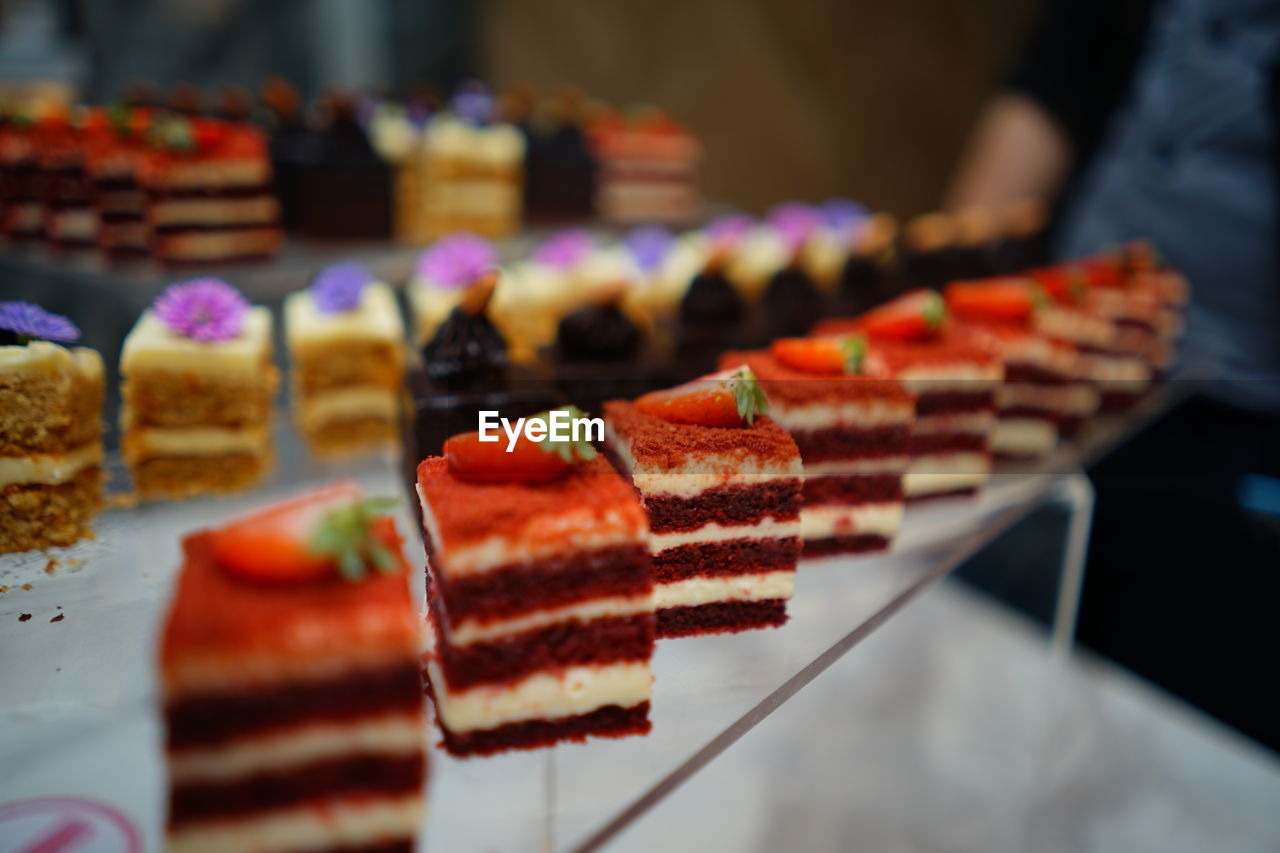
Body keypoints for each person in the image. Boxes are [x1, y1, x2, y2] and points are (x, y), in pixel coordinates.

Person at [948, 0, 1280, 750]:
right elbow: (1055, 83)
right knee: (976, 696)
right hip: (1052, 384)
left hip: (1240, 421)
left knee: (1163, 735)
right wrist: (956, 322)